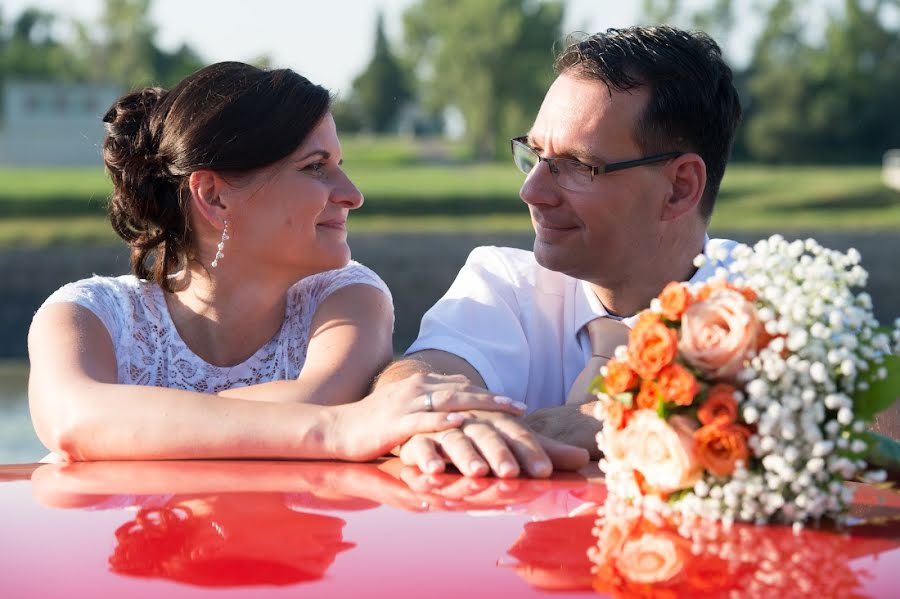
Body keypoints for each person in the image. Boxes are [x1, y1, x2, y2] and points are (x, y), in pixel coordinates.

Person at [27, 61, 525, 462]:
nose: (352, 195)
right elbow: (73, 419)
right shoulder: (86, 316)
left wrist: (129, 422)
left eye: (340, 166)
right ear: (215, 197)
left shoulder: (349, 298)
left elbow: (317, 401)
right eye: (316, 168)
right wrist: (338, 431)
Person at [375, 26, 743, 478]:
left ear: (680, 188)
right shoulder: (504, 284)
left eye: (577, 166)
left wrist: (620, 421)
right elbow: (417, 379)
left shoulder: (777, 307)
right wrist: (442, 417)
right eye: (534, 155)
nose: (532, 192)